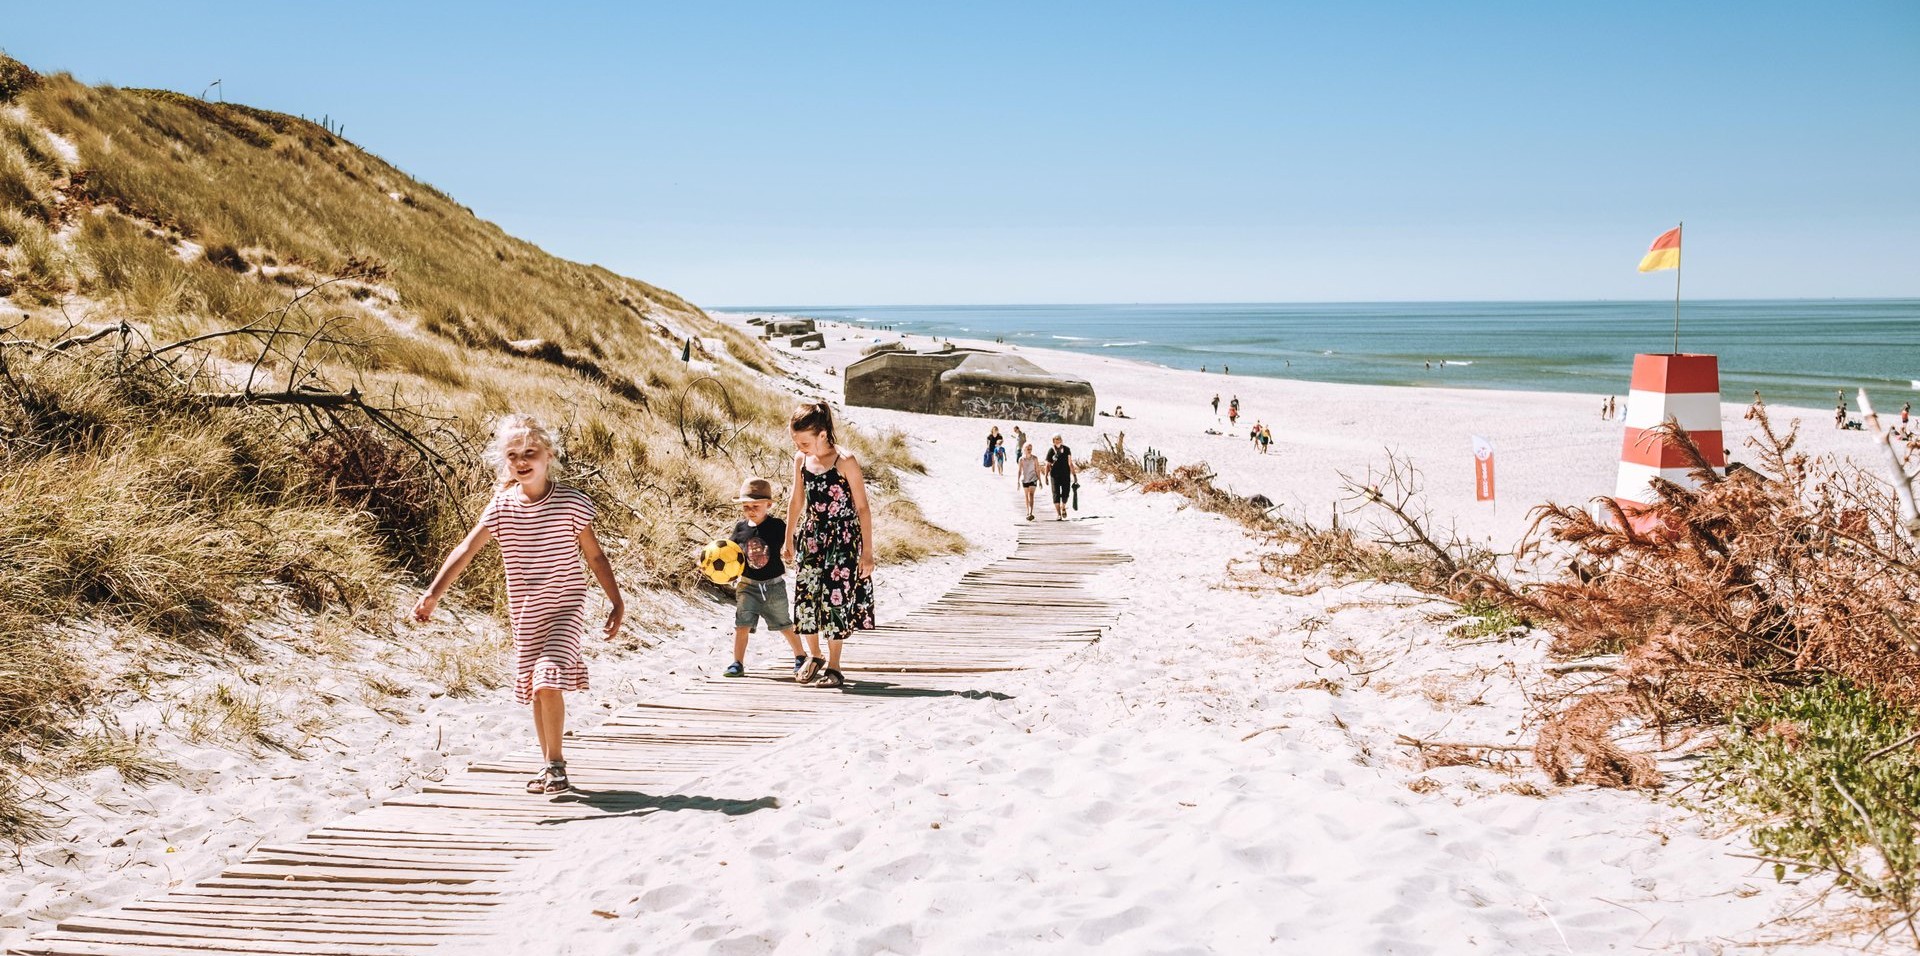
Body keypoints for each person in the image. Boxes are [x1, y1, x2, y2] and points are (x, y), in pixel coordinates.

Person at [413, 415, 622, 795]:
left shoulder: (571, 503)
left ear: (549, 455)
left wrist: (616, 602)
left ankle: (556, 765)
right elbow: (466, 550)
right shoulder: (502, 507)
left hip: (565, 607)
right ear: (504, 461)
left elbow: (595, 557)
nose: (522, 461)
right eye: (513, 455)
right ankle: (548, 766)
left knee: (547, 677)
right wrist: (433, 594)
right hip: (526, 614)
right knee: (537, 690)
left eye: (530, 452)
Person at [784, 403, 876, 689]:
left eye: (804, 442)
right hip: (812, 536)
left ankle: (835, 666)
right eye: (797, 442)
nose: (800, 447)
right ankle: (815, 655)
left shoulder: (845, 461)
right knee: (806, 597)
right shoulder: (801, 459)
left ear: (822, 434)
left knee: (836, 599)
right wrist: (788, 539)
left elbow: (863, 508)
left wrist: (867, 553)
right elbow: (796, 501)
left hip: (843, 539)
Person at [725, 478, 807, 679]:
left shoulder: (777, 526)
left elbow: (792, 544)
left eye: (756, 506)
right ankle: (737, 663)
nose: (750, 510)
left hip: (774, 586)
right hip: (747, 585)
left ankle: (800, 656)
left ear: (768, 505)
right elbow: (729, 553)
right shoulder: (740, 528)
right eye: (746, 507)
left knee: (784, 624)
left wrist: (790, 551)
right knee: (742, 624)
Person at [1044, 434, 1078, 521]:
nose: (1057, 441)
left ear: (1061, 440)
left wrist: (1074, 475)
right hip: (1054, 475)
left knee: (1066, 493)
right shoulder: (1051, 450)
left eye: (1059, 439)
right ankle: (1059, 514)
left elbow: (1070, 463)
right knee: (1056, 494)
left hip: (1065, 474)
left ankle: (1063, 507)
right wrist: (1046, 476)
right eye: (1055, 439)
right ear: (1053, 441)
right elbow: (1047, 464)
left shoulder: (1067, 449)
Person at [1017, 443, 1041, 521]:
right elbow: (1019, 470)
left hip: (1033, 478)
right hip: (1025, 479)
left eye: (1030, 449)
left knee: (1031, 494)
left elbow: (1037, 469)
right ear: (1024, 449)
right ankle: (1028, 512)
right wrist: (1018, 481)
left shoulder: (1035, 458)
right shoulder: (1021, 459)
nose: (1029, 450)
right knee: (1026, 496)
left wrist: (1040, 480)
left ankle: (1031, 512)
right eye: (1028, 449)